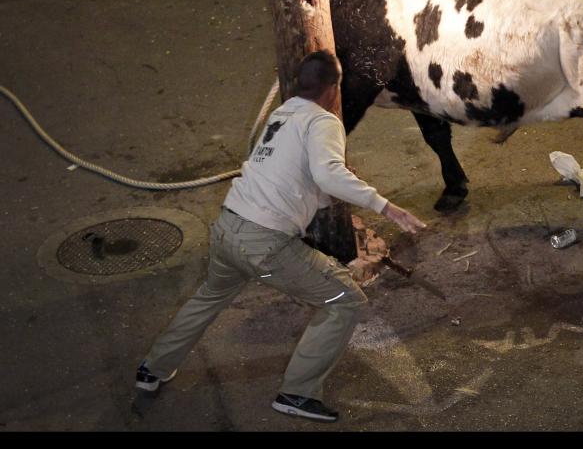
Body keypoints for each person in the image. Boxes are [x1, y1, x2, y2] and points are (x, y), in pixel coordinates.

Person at [135, 50, 426, 422]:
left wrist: (324, 188)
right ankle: (297, 393)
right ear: (333, 88)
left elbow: (302, 179)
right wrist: (387, 207)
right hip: (265, 242)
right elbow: (327, 174)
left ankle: (152, 369)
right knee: (345, 300)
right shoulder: (323, 121)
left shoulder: (281, 114)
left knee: (209, 296)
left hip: (228, 229)